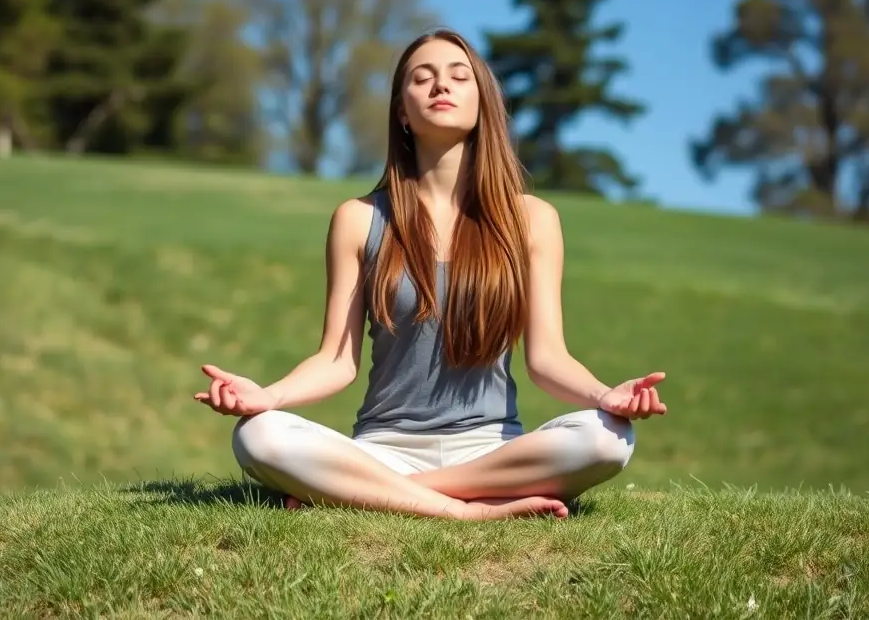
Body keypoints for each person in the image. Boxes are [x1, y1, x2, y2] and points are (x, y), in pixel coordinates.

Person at [194, 28, 667, 521]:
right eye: (423, 79)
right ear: (402, 110)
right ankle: (463, 510)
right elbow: (336, 361)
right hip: (383, 447)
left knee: (609, 438)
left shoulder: (532, 219)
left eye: (459, 77)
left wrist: (604, 396)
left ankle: (379, 494)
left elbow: (547, 358)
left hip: (492, 451)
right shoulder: (359, 219)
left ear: (482, 101)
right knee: (258, 435)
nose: (442, 86)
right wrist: (266, 397)